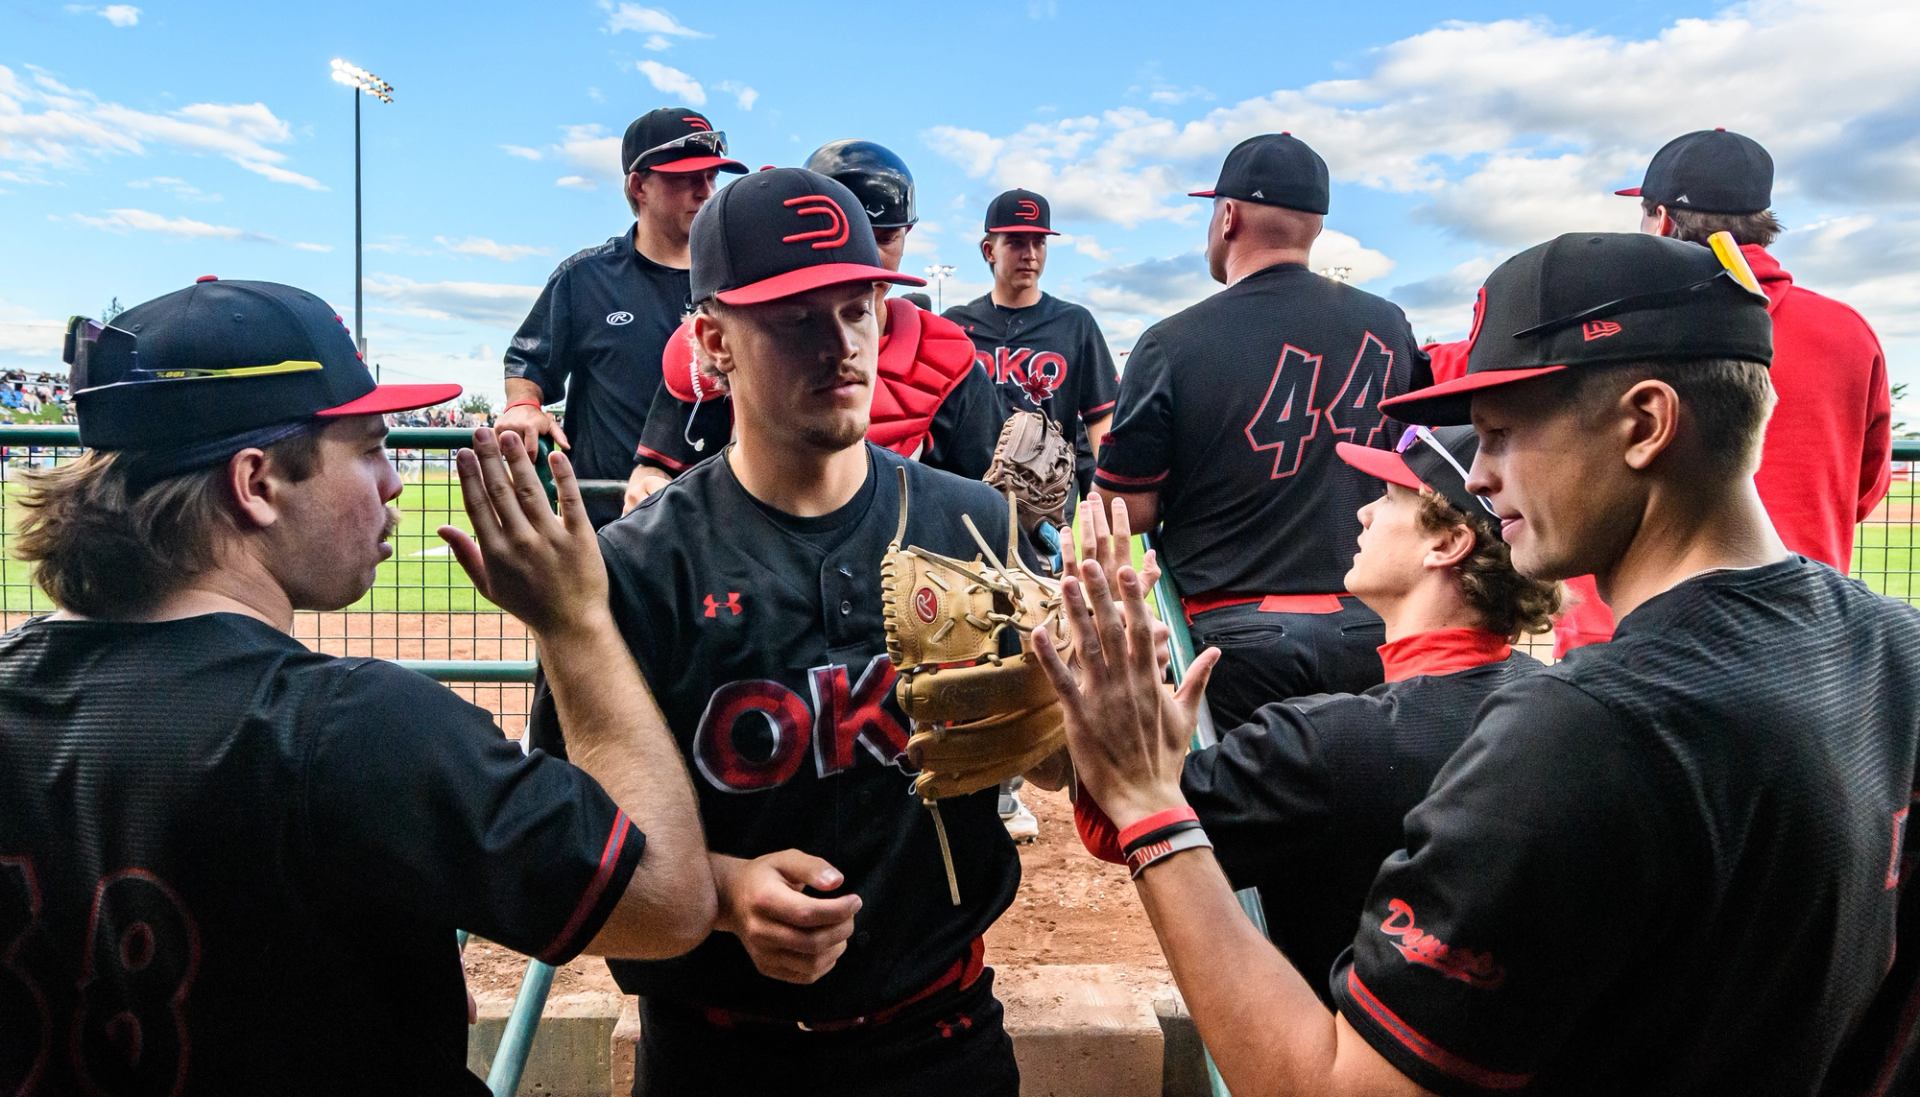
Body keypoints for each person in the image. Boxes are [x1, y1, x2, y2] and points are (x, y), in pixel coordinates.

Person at [1035, 231, 1920, 1095]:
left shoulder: (1577, 733)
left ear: (1645, 423)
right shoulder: (1900, 650)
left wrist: (1149, 804)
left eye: (1499, 433)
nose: (1484, 475)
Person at [0, 279, 715, 1095]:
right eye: (370, 446)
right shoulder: (354, 729)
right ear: (256, 483)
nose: (393, 481)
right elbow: (667, 900)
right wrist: (574, 622)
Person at [529, 168, 1031, 1096]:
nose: (843, 344)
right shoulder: (634, 569)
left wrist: (1092, 700)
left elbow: (1049, 767)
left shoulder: (971, 523)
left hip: (942, 1035)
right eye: (798, 318)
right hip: (718, 1052)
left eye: (859, 308)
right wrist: (718, 892)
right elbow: (571, 857)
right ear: (714, 343)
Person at [1070, 423, 1558, 1008]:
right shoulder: (1562, 706)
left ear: (1448, 544)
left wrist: (1094, 670)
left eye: (1389, 498)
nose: (1364, 515)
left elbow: (1112, 820)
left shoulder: (1319, 743)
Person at [1093, 133, 1430, 728]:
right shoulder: (1389, 322)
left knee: (1236, 815)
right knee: (1364, 810)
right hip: (1372, 621)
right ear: (1315, 228)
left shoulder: (1172, 341)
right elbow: (1419, 460)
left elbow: (1128, 509)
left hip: (1234, 634)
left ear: (1228, 216)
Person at [629, 140, 1003, 502]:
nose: (864, 260)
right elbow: (657, 466)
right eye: (798, 320)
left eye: (884, 238)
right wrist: (650, 484)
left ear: (907, 236)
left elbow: (991, 502)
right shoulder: (734, 341)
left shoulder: (945, 358)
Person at [500, 106, 747, 527]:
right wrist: (523, 404)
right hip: (612, 525)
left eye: (711, 177)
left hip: (720, 524)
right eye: (686, 177)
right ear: (639, 186)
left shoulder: (742, 278)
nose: (704, 191)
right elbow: (528, 362)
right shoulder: (585, 278)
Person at [943, 187, 1120, 496]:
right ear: (989, 250)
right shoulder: (954, 326)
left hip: (1045, 503)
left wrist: (1108, 494)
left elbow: (1101, 418)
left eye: (1039, 242)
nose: (1031, 254)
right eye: (1015, 242)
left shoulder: (1075, 323)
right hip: (968, 498)